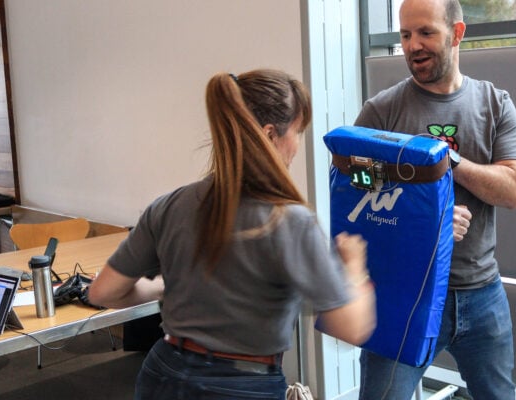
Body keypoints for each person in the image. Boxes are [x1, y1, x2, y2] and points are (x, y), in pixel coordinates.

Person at [88, 69, 376, 400]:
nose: (297, 146)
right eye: (298, 132)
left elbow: (103, 292)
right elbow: (350, 327)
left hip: (163, 375)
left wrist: (169, 285)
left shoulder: (168, 206)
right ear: (270, 135)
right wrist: (354, 269)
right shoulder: (290, 221)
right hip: (241, 386)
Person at [355, 0, 516, 399]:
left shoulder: (494, 104)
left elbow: (515, 190)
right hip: (403, 296)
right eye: (405, 34)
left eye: (425, 32)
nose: (412, 45)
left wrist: (448, 160)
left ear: (457, 33)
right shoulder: (380, 113)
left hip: (481, 294)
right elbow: (356, 202)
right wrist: (425, 220)